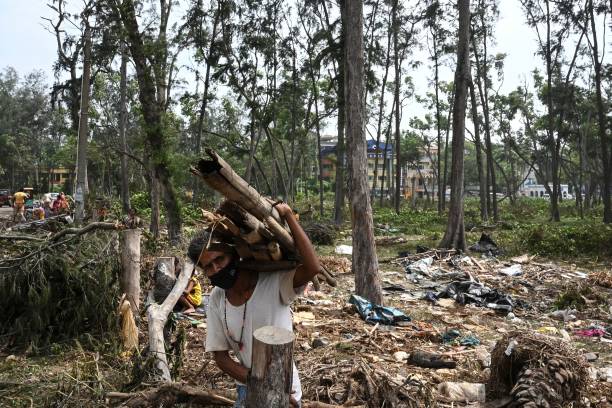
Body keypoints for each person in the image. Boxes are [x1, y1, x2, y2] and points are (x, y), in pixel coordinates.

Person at [187, 203, 320, 408]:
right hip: (248, 387)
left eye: (219, 259)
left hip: (285, 387)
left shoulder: (274, 282)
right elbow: (221, 358)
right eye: (209, 267)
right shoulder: (216, 298)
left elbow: (312, 267)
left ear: (234, 254)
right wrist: (258, 382)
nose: (216, 269)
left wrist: (289, 216)